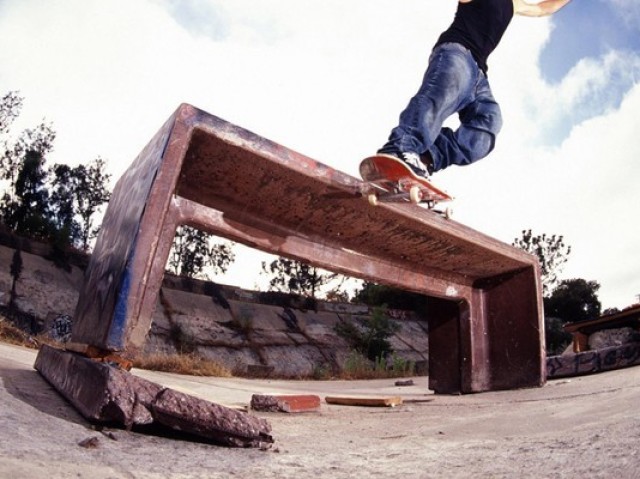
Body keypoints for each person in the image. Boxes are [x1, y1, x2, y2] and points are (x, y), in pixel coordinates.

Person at [377, 0, 574, 178]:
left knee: (489, 123)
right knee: (438, 98)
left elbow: (542, 9)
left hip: (479, 75)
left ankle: (427, 157)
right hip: (457, 53)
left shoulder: (513, 4)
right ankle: (399, 148)